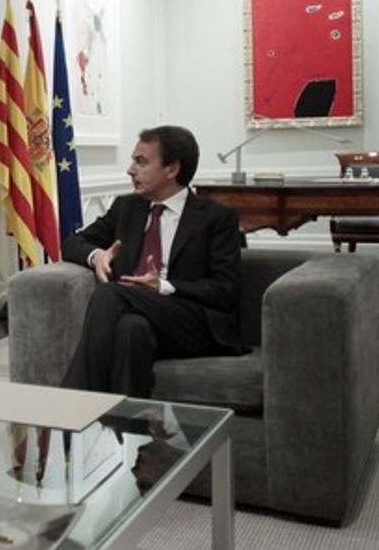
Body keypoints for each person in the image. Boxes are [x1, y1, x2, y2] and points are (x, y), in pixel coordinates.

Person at [60, 125, 242, 398]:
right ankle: (125, 434)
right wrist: (97, 255)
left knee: (110, 293)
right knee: (130, 330)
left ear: (172, 169)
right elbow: (72, 243)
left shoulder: (216, 217)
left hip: (190, 321)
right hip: (136, 314)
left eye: (141, 161)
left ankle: (71, 403)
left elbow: (224, 289)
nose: (130, 170)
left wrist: (164, 286)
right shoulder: (126, 208)